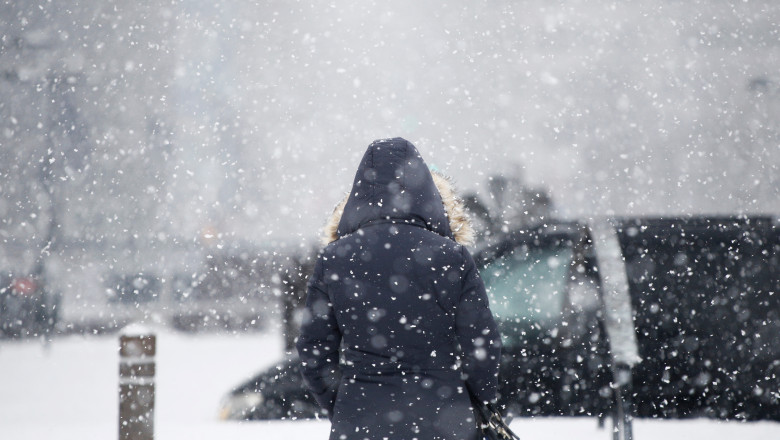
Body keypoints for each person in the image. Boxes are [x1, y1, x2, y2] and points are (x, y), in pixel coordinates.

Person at [296, 138, 501, 440]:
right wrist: (473, 401)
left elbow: (313, 353)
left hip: (361, 422)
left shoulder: (335, 260)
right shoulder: (451, 257)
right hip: (445, 421)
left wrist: (345, 404)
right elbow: (482, 347)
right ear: (428, 193)